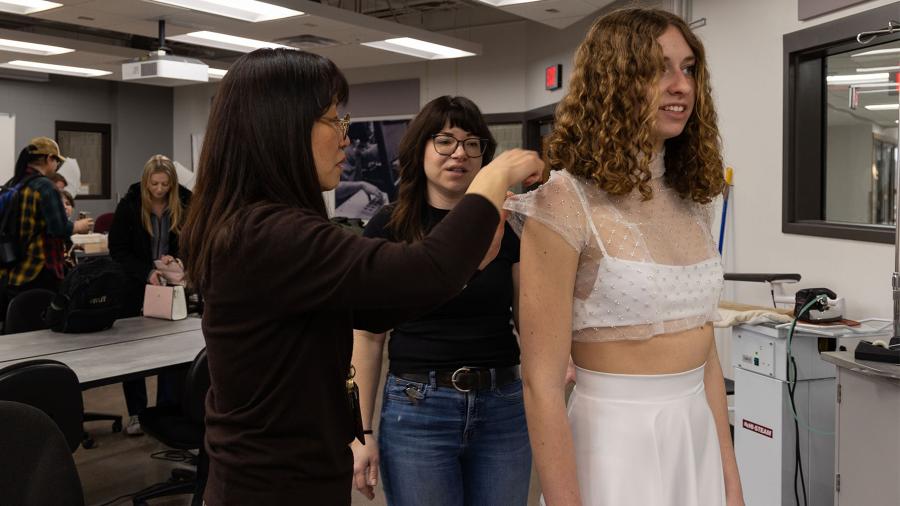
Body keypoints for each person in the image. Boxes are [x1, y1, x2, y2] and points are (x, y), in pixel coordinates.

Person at [180, 48, 543, 506]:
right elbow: (425, 272)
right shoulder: (267, 234)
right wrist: (496, 177)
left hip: (294, 475)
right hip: (273, 486)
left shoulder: (266, 227)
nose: (346, 139)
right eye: (335, 120)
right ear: (284, 127)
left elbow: (379, 305)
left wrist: (462, 262)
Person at [505, 8, 744, 506]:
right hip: (614, 445)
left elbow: (707, 359)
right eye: (659, 68)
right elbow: (542, 385)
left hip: (695, 432)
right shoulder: (564, 203)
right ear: (613, 81)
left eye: (688, 68)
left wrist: (730, 484)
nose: (680, 85)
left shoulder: (694, 199)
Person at [351, 96, 531, 505]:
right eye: (445, 141)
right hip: (417, 408)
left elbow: (528, 321)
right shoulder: (389, 225)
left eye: (472, 143)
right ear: (420, 149)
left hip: (502, 404)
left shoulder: (507, 225)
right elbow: (368, 337)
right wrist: (360, 432)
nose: (460, 154)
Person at [108, 154, 191, 435]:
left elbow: (193, 241)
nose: (159, 190)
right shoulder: (130, 205)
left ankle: (166, 410)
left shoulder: (185, 202)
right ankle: (137, 413)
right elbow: (118, 250)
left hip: (171, 285)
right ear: (145, 182)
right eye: (154, 184)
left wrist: (177, 260)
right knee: (134, 352)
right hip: (135, 285)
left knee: (170, 351)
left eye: (165, 184)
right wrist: (146, 271)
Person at [0, 138, 92, 315]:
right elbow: (59, 229)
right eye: (57, 161)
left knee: (19, 325)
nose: (57, 165)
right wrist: (78, 226)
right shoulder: (44, 186)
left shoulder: (15, 183)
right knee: (45, 325)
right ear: (49, 159)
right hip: (40, 269)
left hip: (15, 268)